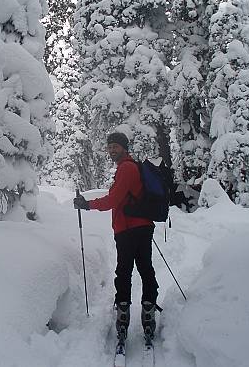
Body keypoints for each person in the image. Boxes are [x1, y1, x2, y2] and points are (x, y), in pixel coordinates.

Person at [73, 132, 159, 343]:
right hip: (139, 227)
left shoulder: (127, 168)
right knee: (144, 269)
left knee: (125, 272)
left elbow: (113, 199)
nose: (112, 150)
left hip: (129, 230)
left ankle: (124, 315)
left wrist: (87, 204)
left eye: (115, 147)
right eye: (110, 147)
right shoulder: (128, 168)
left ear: (124, 148)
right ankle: (147, 313)